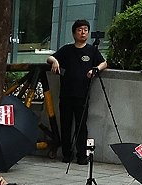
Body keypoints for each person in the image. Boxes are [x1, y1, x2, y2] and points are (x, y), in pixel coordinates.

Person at [46, 19, 107, 165]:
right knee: (65, 124)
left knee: (81, 126)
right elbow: (50, 57)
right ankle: (67, 154)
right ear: (74, 33)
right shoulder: (67, 49)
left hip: (83, 95)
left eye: (85, 29)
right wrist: (54, 61)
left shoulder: (92, 50)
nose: (83, 32)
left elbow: (104, 62)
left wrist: (96, 69)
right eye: (80, 30)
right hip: (66, 94)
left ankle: (82, 156)